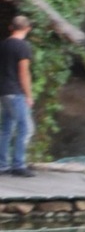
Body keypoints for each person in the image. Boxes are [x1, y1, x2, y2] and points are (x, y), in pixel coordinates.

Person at [2, 10, 34, 175]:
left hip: (4, 91)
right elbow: (24, 73)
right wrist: (28, 95)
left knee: (6, 129)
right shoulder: (22, 46)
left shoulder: (3, 44)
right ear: (27, 28)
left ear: (11, 27)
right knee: (25, 128)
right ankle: (18, 165)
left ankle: (2, 164)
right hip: (16, 92)